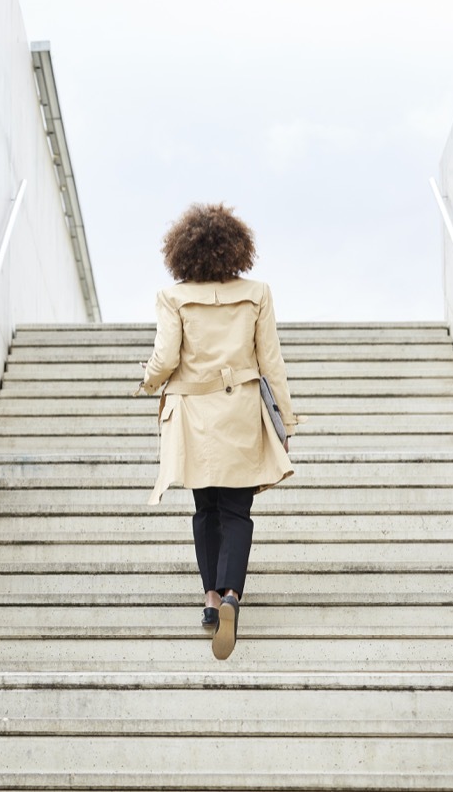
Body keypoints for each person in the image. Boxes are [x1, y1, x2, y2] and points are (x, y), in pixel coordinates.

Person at [135, 203, 299, 660]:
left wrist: (146, 381)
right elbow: (272, 362)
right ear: (237, 249)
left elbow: (166, 358)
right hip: (242, 410)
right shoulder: (258, 293)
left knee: (204, 508)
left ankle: (210, 601)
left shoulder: (173, 298)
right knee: (237, 511)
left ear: (182, 252)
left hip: (194, 416)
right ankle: (231, 595)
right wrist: (285, 417)